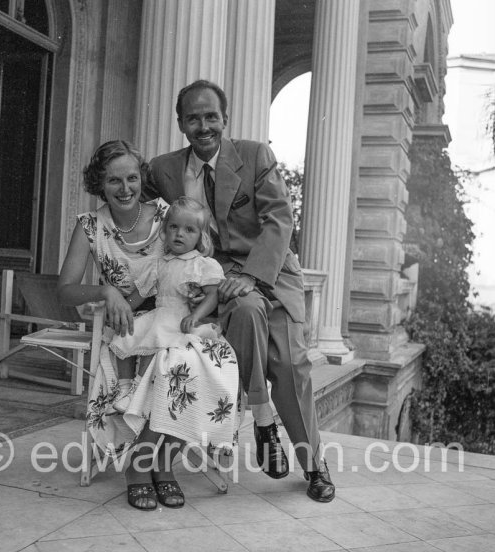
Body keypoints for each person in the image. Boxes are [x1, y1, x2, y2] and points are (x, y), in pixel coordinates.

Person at [143, 79, 335, 502]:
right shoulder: (163, 169)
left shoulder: (253, 156)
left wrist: (252, 275)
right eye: (193, 118)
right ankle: (263, 420)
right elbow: (129, 204)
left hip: (270, 275)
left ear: (224, 119)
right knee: (245, 311)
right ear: (180, 123)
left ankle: (313, 465)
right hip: (216, 280)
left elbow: (279, 220)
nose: (203, 125)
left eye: (211, 116)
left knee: (290, 365)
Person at [58, 140, 184, 511]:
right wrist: (105, 290)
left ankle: (153, 461)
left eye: (132, 178)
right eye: (114, 181)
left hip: (171, 322)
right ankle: (144, 466)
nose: (125, 188)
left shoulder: (166, 217)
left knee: (188, 365)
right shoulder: (90, 226)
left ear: (142, 178)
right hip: (125, 326)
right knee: (161, 365)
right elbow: (64, 290)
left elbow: (191, 259)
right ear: (99, 183)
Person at [106, 196, 240, 456]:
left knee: (157, 348)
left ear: (200, 237)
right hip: (159, 314)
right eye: (174, 227)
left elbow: (212, 294)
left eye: (189, 230)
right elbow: (139, 294)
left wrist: (197, 314)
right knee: (128, 334)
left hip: (179, 319)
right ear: (165, 231)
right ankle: (126, 388)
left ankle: (139, 391)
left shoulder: (203, 265)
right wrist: (123, 308)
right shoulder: (157, 264)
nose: (180, 234)